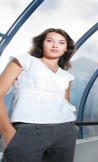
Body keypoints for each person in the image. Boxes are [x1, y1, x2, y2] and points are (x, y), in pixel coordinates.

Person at [0, 28, 78, 162]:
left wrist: (73, 127)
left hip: (66, 130)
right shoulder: (24, 61)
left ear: (66, 48)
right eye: (50, 41)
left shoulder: (67, 76)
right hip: (29, 130)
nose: (55, 45)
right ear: (41, 43)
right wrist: (7, 132)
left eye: (61, 43)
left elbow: (66, 103)